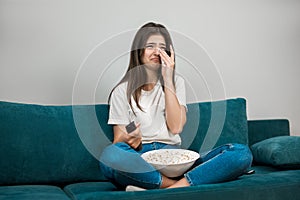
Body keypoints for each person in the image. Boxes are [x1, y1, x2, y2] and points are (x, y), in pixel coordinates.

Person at [99, 22, 253, 191]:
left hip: (174, 160)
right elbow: (118, 140)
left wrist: (167, 79)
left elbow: (176, 125)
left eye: (162, 47)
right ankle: (179, 186)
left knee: (240, 153)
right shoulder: (122, 91)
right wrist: (132, 132)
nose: (157, 52)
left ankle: (166, 187)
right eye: (150, 46)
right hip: (141, 161)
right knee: (111, 155)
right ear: (139, 51)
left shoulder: (176, 82)